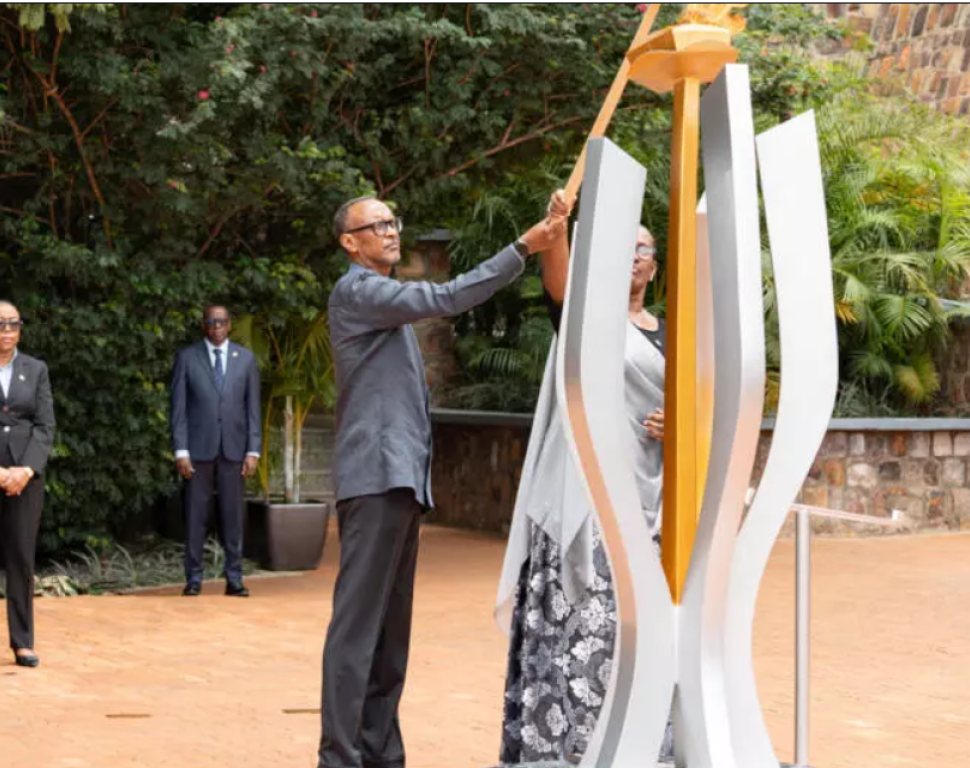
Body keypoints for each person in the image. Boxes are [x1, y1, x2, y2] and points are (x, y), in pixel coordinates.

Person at [318, 195, 566, 768]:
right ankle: (339, 756)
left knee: (389, 635)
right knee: (358, 630)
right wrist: (524, 247)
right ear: (349, 243)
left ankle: (381, 752)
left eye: (391, 222)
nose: (389, 231)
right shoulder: (358, 291)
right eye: (374, 225)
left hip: (400, 483)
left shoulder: (385, 305)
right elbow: (444, 297)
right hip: (375, 478)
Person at [495, 191, 669, 763]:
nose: (633, 258)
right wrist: (559, 231)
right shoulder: (584, 323)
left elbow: (696, 409)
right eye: (624, 248)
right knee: (581, 623)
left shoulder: (670, 335)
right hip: (587, 499)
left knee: (641, 629)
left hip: (649, 502)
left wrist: (680, 427)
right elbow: (560, 286)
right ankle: (563, 745)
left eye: (643, 249)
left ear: (655, 264)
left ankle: (638, 744)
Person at [170, 305, 261, 597]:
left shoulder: (245, 359)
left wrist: (254, 450)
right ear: (204, 325)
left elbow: (253, 409)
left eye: (221, 322)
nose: (217, 327)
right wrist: (180, 451)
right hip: (197, 450)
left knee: (232, 517)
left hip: (234, 451)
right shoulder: (187, 357)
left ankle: (234, 579)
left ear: (229, 324)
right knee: (196, 517)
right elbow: (179, 408)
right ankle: (193, 579)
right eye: (211, 322)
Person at [0, 301, 55, 668]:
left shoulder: (35, 370)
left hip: (24, 479)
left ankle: (22, 642)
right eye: (0, 324)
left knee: (20, 557)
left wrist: (25, 471)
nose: (6, 330)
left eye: (12, 324)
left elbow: (45, 425)